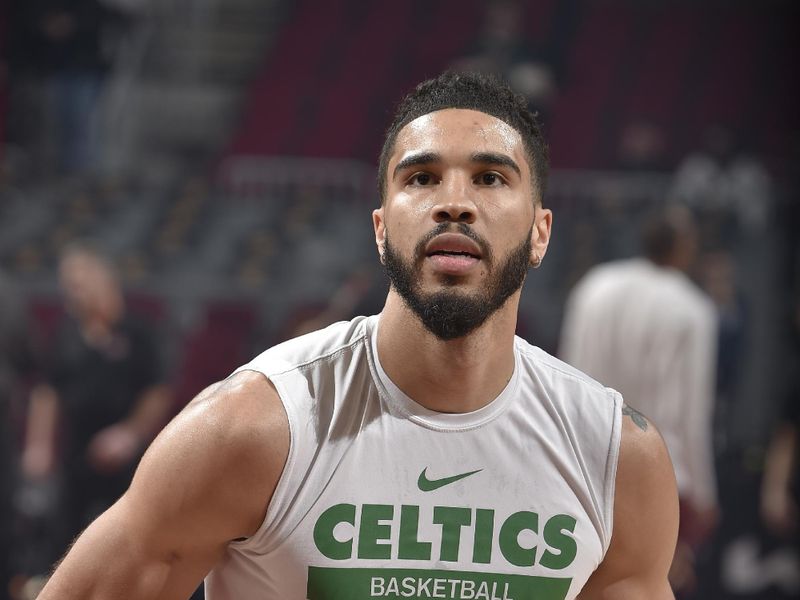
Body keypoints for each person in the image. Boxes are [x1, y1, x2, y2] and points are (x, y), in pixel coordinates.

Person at [39, 72, 678, 600]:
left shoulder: (614, 457)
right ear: (380, 227)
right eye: (421, 178)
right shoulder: (253, 429)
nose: (454, 201)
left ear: (540, 232)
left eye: (490, 177)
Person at [559, 205, 719, 594]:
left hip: (581, 462)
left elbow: (561, 374)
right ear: (683, 248)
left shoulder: (595, 286)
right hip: (659, 473)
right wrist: (705, 491)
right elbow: (691, 413)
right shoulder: (693, 309)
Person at [21, 243, 172, 562]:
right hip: (77, 454)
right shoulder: (67, 334)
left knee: (132, 543)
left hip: (127, 461)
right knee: (66, 542)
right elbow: (48, 392)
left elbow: (157, 390)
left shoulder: (138, 332)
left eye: (77, 285)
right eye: (67, 287)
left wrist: (129, 434)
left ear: (102, 281)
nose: (71, 295)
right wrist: (39, 446)